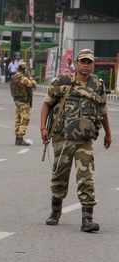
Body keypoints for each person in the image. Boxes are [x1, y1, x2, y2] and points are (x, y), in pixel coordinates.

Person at [40, 49, 111, 232]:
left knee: (86, 177)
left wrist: (108, 133)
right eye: (83, 62)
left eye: (89, 62)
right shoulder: (62, 82)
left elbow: (102, 111)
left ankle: (87, 219)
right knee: (59, 176)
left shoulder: (97, 85)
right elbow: (47, 103)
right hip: (62, 138)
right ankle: (55, 212)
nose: (86, 65)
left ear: (93, 64)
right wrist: (43, 128)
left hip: (84, 140)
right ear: (77, 64)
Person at [10, 62, 36, 146]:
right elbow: (32, 84)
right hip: (24, 101)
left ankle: (17, 138)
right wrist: (30, 77)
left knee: (18, 119)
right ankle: (20, 138)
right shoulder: (23, 78)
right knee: (25, 119)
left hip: (17, 100)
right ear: (24, 69)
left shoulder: (14, 77)